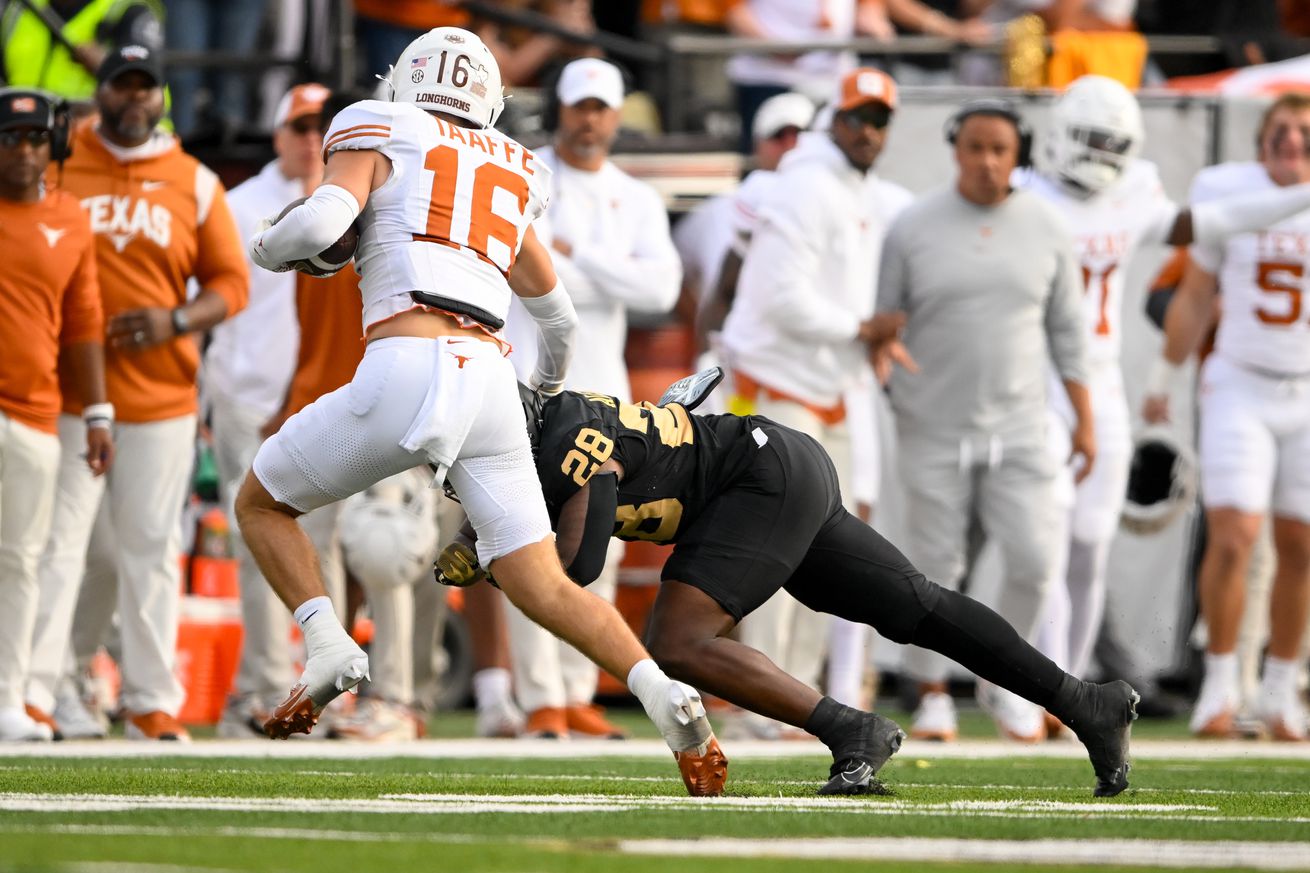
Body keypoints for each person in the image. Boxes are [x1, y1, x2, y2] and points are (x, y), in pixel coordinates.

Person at [239, 26, 725, 796]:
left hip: (406, 358)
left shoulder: (376, 122)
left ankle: (328, 645)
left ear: (407, 79)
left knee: (262, 501)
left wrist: (267, 247)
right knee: (543, 584)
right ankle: (662, 694)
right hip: (492, 377)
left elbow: (321, 224)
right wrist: (537, 398)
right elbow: (560, 322)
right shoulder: (511, 163)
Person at [437, 376, 1140, 797]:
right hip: (770, 473)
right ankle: (1085, 701)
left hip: (756, 478)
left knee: (677, 640)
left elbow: (580, 565)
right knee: (915, 607)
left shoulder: (563, 436)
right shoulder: (535, 443)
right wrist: (483, 541)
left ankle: (853, 729)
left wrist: (497, 560)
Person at [1023, 77, 1310, 729]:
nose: (1101, 152)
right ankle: (1038, 687)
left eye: (1112, 141)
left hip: (1102, 382)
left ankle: (1066, 695)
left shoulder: (1134, 192)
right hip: (1040, 379)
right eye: (1091, 138)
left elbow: (1206, 223)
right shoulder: (1026, 196)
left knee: (1091, 543)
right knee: (1048, 539)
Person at [25, 44, 248, 742]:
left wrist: (175, 320)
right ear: (101, 93)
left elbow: (231, 284)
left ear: (161, 98)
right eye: (121, 87)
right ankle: (41, 686)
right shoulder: (60, 162)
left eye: (144, 88)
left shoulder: (195, 180)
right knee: (67, 549)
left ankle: (151, 696)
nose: (133, 99)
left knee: (148, 546)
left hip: (161, 399)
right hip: (66, 392)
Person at [876, 98, 1090, 743]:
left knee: (1033, 559)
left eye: (1001, 149)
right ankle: (933, 691)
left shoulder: (1049, 227)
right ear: (956, 150)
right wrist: (886, 366)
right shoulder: (912, 225)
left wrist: (1086, 418)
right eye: (975, 147)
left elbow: (1069, 334)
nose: (988, 161)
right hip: (932, 423)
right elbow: (883, 322)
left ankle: (1007, 685)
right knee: (932, 569)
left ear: (1019, 154)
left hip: (1021, 425)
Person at [719, 68, 910, 734]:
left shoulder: (864, 193)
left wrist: (872, 337)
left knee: (824, 551)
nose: (869, 131)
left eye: (881, 120)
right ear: (835, 118)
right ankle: (761, 695)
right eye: (859, 117)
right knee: (774, 547)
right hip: (778, 386)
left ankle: (793, 696)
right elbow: (778, 298)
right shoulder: (803, 186)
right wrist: (862, 330)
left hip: (835, 386)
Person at [502, 56, 682, 740]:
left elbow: (662, 292)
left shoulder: (634, 197)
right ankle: (539, 696)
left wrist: (577, 258)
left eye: (602, 107)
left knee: (594, 538)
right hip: (531, 383)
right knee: (526, 539)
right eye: (580, 106)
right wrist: (599, 272)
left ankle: (576, 688)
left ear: (616, 114)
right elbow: (522, 269)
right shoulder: (525, 174)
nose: (590, 120)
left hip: (602, 390)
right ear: (562, 108)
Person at [1143, 92, 1310, 741]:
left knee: (1299, 545)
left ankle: (1279, 691)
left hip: (1305, 387)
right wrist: (1162, 376)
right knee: (1235, 533)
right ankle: (1217, 685)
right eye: (1281, 129)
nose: (1292, 140)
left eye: (1303, 130)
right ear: (1260, 139)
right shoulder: (1228, 192)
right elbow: (1194, 293)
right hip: (1239, 380)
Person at [204, 81, 331, 738]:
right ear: (278, 134)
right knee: (258, 550)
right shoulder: (236, 205)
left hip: (324, 404)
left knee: (326, 553)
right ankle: (258, 687)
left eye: (321, 127)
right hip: (250, 399)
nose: (312, 138)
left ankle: (322, 694)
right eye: (300, 126)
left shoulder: (354, 198)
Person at [0, 88, 110, 741]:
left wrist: (97, 411)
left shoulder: (69, 217)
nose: (24, 151)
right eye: (11, 139)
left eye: (36, 139)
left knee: (20, 560)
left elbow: (83, 321)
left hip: (39, 410)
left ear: (54, 146)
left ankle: (9, 696)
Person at [1, 0, 164, 103]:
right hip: (26, 133)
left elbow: (146, 88)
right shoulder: (17, 8)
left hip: (98, 138)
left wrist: (108, 65)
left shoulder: (127, 10)